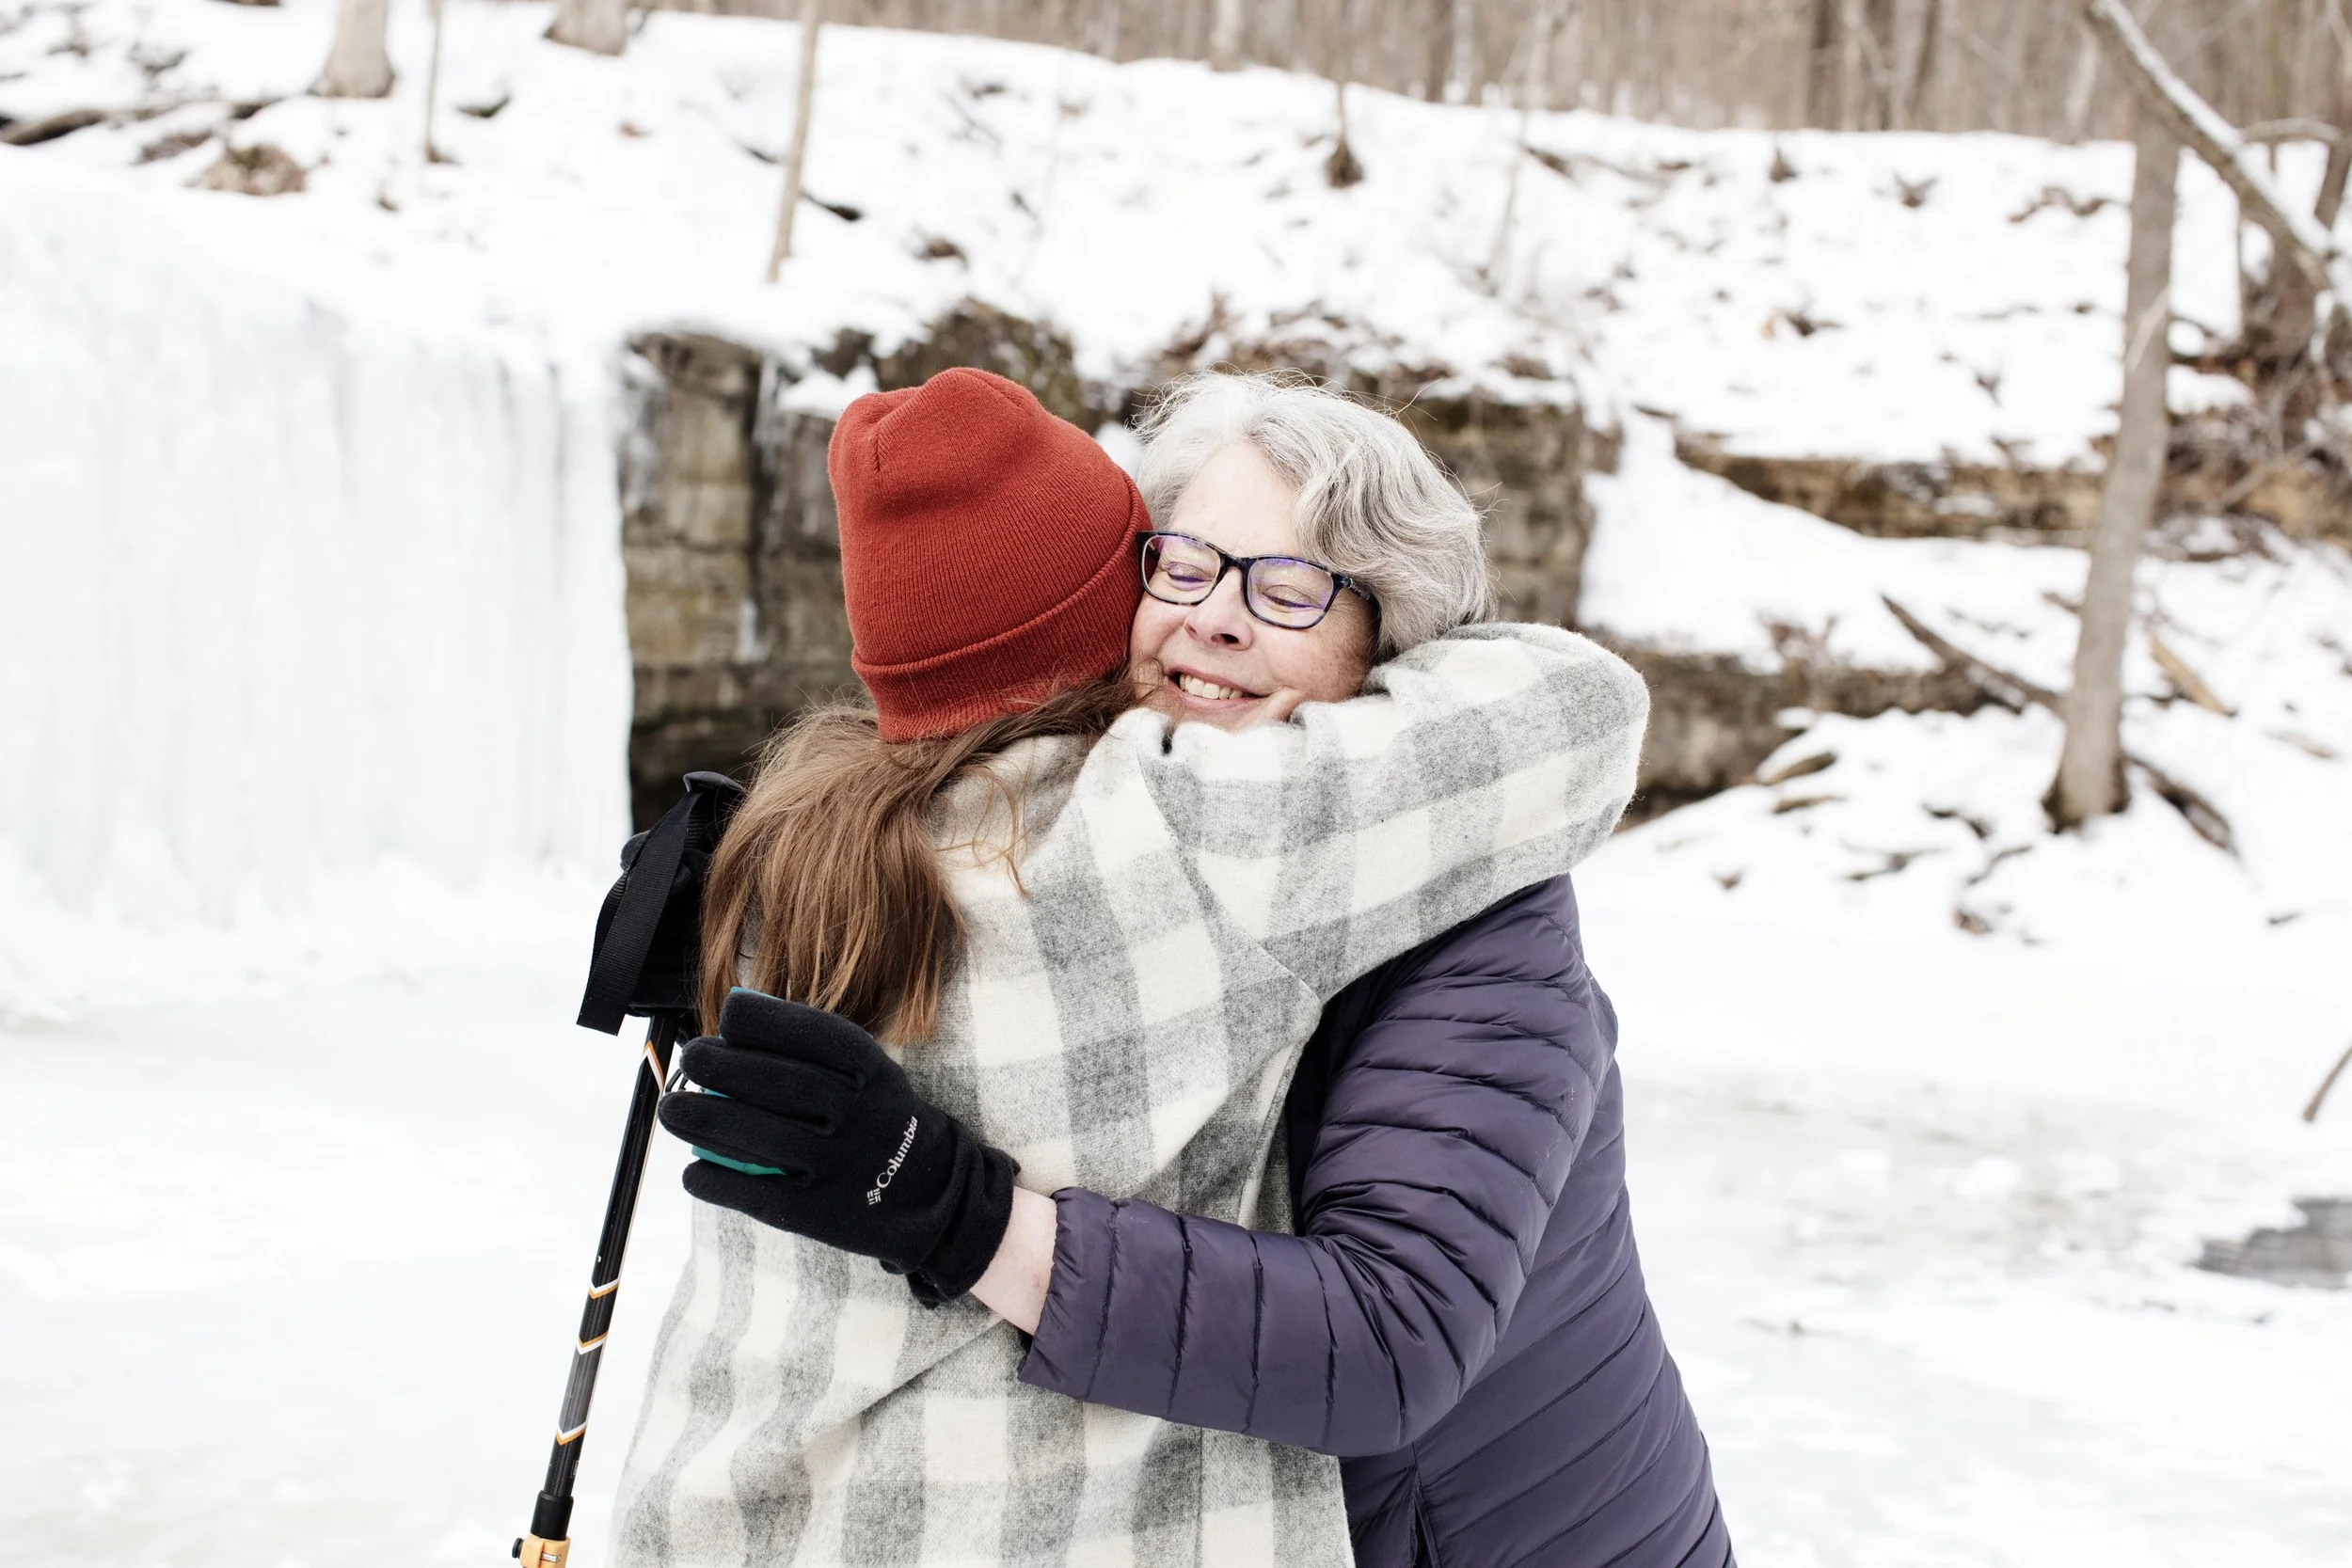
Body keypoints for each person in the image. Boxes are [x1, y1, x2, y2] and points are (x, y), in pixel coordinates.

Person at [612, 368, 1677, 1567]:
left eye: (1290, 586)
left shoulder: (1484, 922)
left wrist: (964, 1217)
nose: (1215, 618)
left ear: (1397, 646)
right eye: (1182, 565)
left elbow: (1388, 1337)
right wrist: (789, 870)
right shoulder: (1085, 831)